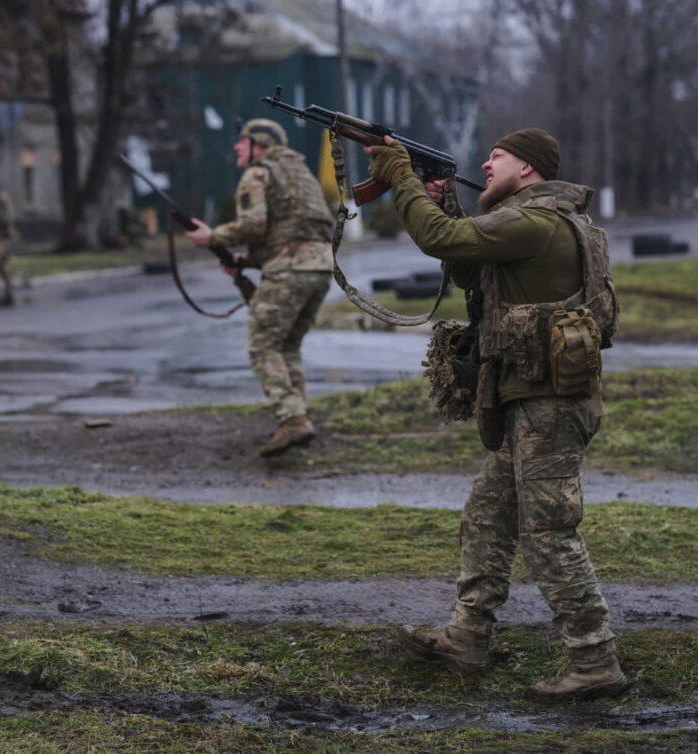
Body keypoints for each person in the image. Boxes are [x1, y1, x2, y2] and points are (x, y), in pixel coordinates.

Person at [365, 128, 628, 700]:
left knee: (549, 533)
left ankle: (593, 659)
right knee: (487, 516)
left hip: (548, 407)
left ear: (528, 168)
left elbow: (440, 240)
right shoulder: (532, 223)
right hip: (535, 401)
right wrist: (442, 202)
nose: (485, 163)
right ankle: (467, 637)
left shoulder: (531, 222)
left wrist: (399, 174)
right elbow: (468, 267)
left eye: (498, 156)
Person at [184, 119, 334, 458]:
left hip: (290, 269)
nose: (237, 147)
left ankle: (293, 419)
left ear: (260, 145)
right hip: (320, 268)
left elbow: (254, 225)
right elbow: (294, 229)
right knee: (287, 345)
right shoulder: (299, 174)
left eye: (243, 142)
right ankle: (298, 417)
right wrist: (247, 264)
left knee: (263, 346)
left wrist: (212, 237)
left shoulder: (258, 173)